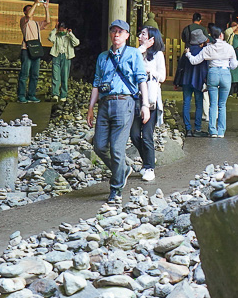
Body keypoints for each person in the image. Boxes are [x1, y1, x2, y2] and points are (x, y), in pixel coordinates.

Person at [87, 20, 149, 202]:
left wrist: (145, 105)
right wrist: (91, 108)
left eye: (120, 32)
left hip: (124, 102)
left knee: (116, 148)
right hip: (105, 104)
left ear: (127, 35)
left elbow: (141, 79)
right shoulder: (103, 57)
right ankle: (122, 169)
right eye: (113, 31)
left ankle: (116, 189)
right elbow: (96, 83)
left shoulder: (133, 54)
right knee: (99, 146)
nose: (116, 35)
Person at [188, 25, 238, 137]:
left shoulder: (208, 48)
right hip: (225, 73)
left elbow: (194, 61)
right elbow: (234, 65)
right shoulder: (229, 47)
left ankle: (212, 130)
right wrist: (228, 64)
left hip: (213, 74)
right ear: (221, 35)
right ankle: (221, 132)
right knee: (222, 105)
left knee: (213, 104)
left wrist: (188, 54)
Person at [130, 27, 165, 182]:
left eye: (143, 34)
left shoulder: (158, 55)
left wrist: (150, 74)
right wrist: (142, 49)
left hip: (151, 99)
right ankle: (148, 160)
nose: (140, 36)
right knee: (135, 134)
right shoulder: (136, 52)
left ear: (152, 39)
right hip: (134, 98)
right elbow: (129, 64)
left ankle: (149, 168)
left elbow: (162, 77)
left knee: (147, 135)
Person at [18, 0, 50, 103]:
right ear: (25, 12)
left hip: (36, 49)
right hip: (26, 49)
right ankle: (21, 95)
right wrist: (35, 3)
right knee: (24, 73)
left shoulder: (36, 24)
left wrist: (46, 7)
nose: (31, 11)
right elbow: (28, 16)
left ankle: (31, 95)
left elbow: (48, 21)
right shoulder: (24, 21)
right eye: (29, 10)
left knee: (35, 74)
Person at [181, 29, 209, 136]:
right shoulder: (203, 51)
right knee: (199, 104)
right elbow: (205, 68)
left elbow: (181, 67)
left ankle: (187, 129)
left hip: (186, 80)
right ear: (200, 42)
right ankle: (197, 129)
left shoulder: (186, 51)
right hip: (198, 80)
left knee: (186, 103)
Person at [48, 21, 79, 102]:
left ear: (66, 29)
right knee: (55, 75)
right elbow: (50, 38)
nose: (61, 31)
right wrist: (55, 29)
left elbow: (76, 43)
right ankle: (55, 94)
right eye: (60, 30)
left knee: (64, 76)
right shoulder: (56, 35)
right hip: (56, 56)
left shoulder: (69, 36)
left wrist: (70, 34)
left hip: (66, 57)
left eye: (63, 30)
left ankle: (63, 95)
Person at [226, 19, 238, 96]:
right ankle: (230, 92)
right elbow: (228, 31)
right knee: (231, 75)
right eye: (233, 26)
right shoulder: (229, 35)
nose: (236, 27)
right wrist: (235, 26)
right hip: (230, 57)